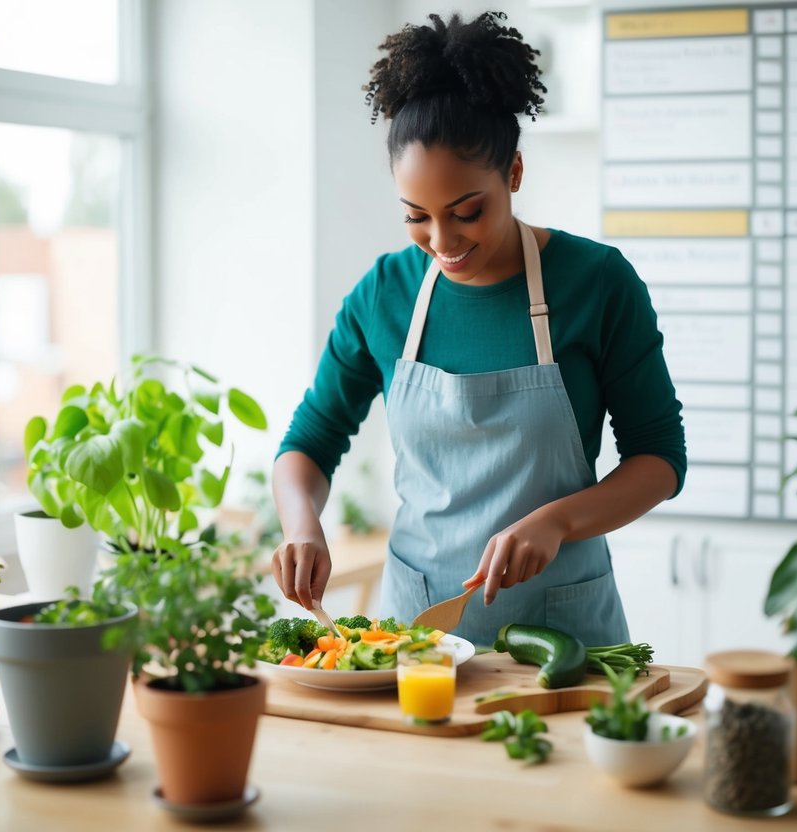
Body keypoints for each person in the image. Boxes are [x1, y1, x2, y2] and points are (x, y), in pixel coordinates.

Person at [271, 11, 685, 647]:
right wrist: (301, 522)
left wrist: (556, 522)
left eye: (466, 212)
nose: (442, 242)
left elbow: (659, 459)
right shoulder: (385, 295)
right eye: (417, 217)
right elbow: (309, 442)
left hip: (565, 637)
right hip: (415, 640)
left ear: (513, 174)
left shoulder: (597, 282)